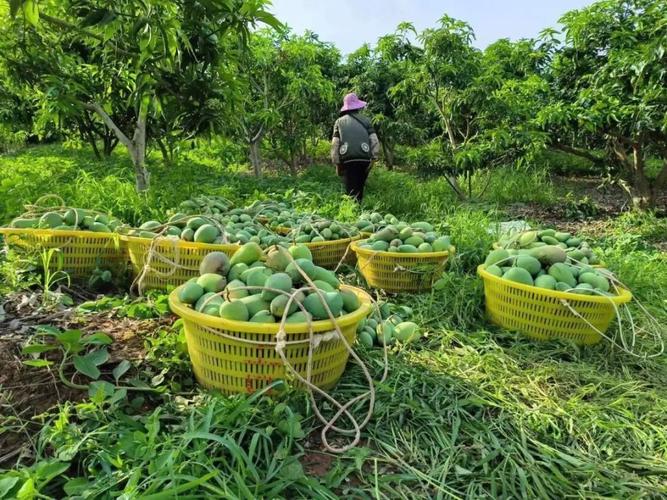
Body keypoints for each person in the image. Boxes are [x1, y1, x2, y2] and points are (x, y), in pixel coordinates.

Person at [331, 93, 380, 202]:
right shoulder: (366, 121)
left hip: (347, 159)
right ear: (358, 107)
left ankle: (352, 211)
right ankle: (358, 207)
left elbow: (335, 143)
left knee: (350, 188)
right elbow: (374, 140)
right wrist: (374, 158)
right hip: (364, 158)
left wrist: (336, 162)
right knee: (359, 187)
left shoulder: (339, 122)